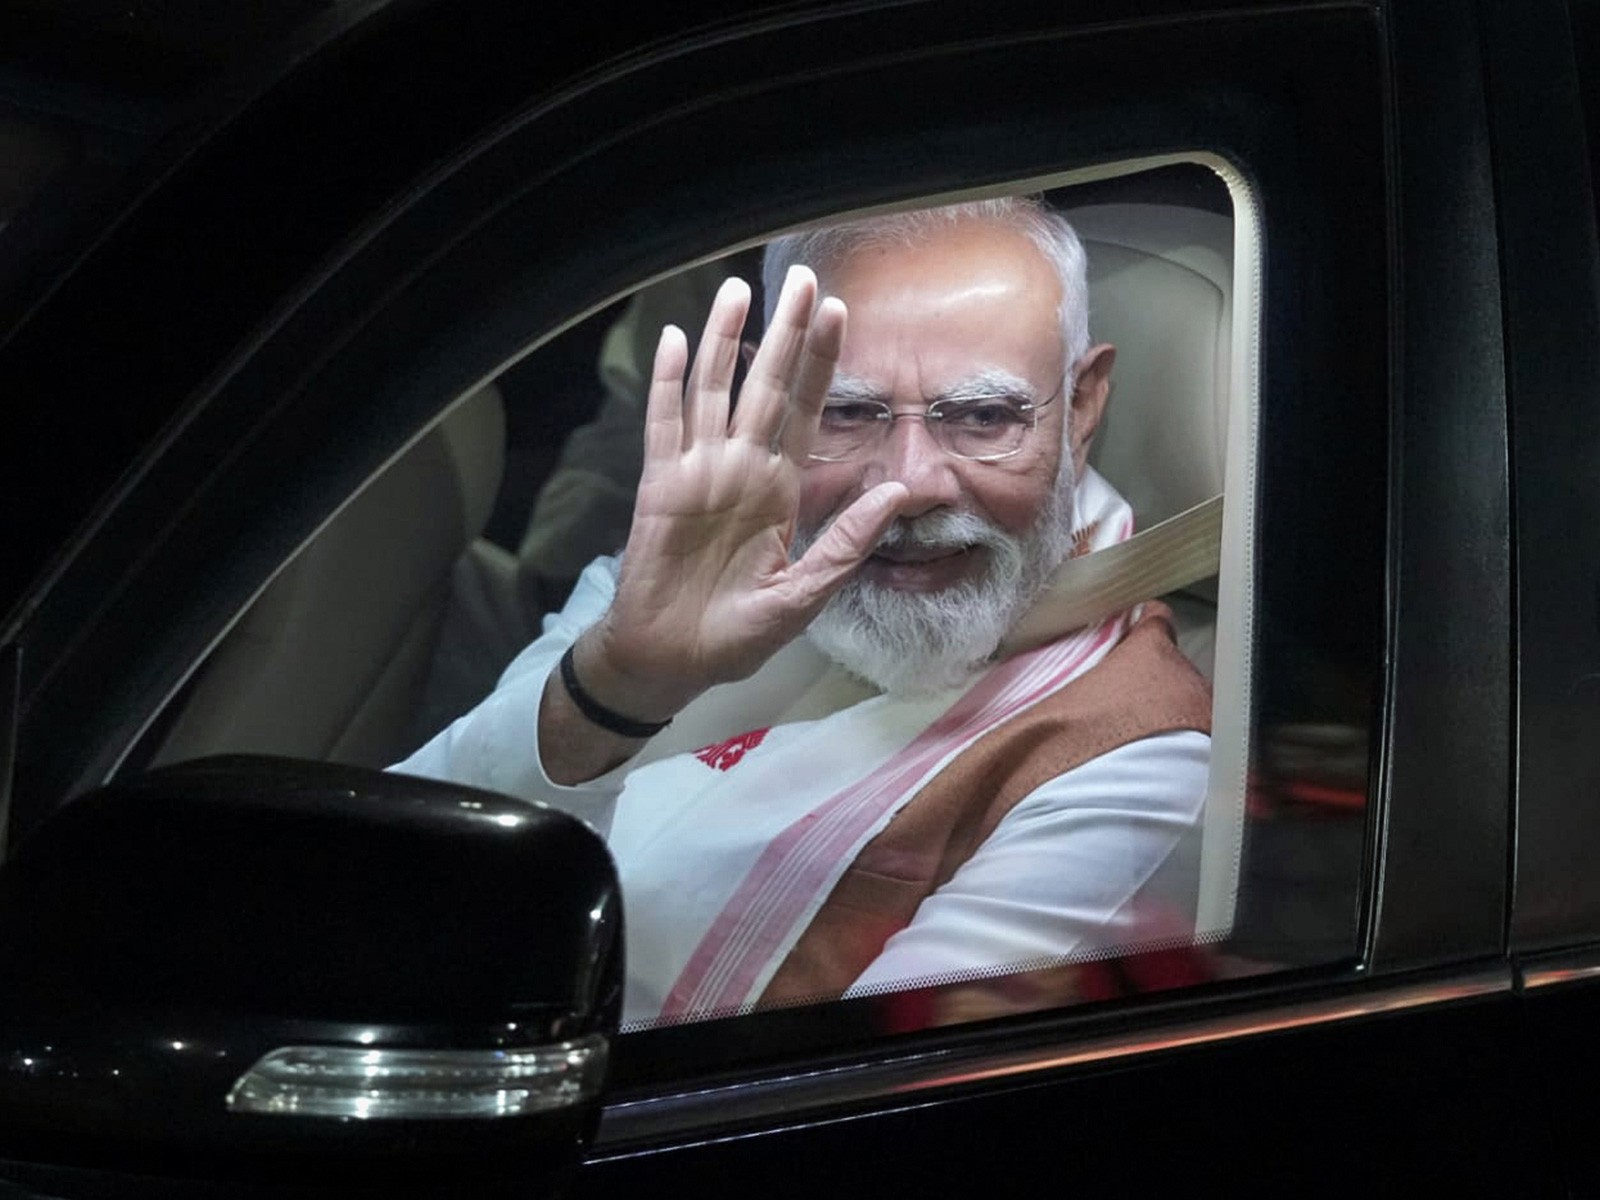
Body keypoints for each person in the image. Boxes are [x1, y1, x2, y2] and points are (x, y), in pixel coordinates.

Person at [395, 196, 1212, 1027]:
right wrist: (619, 684)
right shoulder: (707, 562)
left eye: (982, 417)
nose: (905, 485)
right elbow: (386, 886)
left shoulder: (1131, 755)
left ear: (1080, 408)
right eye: (846, 413)